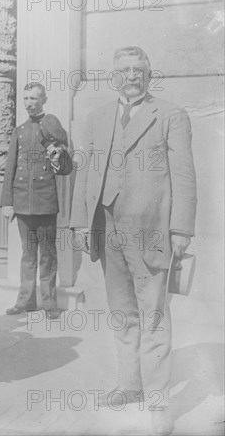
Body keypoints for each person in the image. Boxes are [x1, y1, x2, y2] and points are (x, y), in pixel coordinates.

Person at [70, 46, 197, 436]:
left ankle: (158, 403)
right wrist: (78, 223)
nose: (130, 76)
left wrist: (181, 230)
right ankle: (130, 385)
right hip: (107, 228)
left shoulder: (171, 115)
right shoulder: (97, 117)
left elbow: (185, 176)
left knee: (154, 315)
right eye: (123, 70)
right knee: (122, 312)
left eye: (137, 70)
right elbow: (87, 174)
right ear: (114, 76)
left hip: (152, 231)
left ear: (148, 74)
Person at [1, 82, 72, 320]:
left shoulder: (50, 125)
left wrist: (51, 133)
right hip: (22, 201)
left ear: (44, 100)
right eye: (26, 99)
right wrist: (6, 202)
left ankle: (50, 303)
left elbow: (63, 161)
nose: (29, 103)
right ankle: (25, 302)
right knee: (27, 254)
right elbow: (9, 167)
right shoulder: (19, 130)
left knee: (47, 255)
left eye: (34, 98)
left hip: (44, 200)